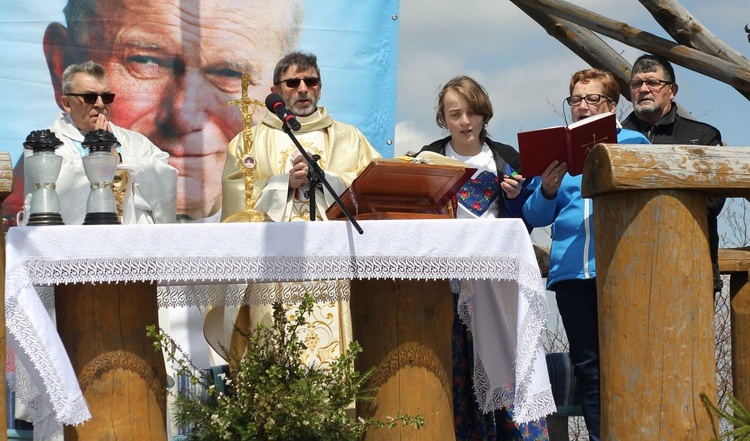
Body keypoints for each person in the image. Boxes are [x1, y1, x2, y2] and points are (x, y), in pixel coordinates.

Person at [4, 0, 304, 223]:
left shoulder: (283, 195)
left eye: (229, 71)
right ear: (62, 65)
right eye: (147, 61)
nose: (184, 117)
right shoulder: (44, 160)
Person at [218, 51, 381, 365]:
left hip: (331, 264)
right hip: (271, 266)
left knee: (331, 356)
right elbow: (238, 207)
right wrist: (282, 185)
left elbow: (372, 187)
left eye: (311, 81)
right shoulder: (248, 142)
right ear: (276, 90)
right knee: (274, 352)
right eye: (293, 82)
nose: (303, 88)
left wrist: (327, 179)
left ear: (320, 87)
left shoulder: (350, 138)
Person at [417, 76, 548, 440]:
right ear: (442, 118)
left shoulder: (507, 158)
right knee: (456, 363)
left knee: (504, 363)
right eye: (454, 113)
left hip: (498, 281)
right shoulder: (426, 158)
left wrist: (516, 196)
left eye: (471, 112)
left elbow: (527, 220)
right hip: (447, 283)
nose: (465, 121)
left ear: (483, 114)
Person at [522, 69, 649, 441]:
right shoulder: (555, 152)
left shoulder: (635, 143)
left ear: (611, 106)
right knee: (590, 369)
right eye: (576, 100)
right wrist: (546, 189)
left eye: (592, 99)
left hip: (622, 272)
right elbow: (534, 215)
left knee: (629, 364)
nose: (582, 106)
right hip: (571, 277)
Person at [23, 60, 177, 225]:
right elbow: (58, 192)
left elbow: (165, 180)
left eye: (106, 97)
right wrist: (102, 155)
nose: (100, 104)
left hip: (132, 243)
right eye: (89, 97)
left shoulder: (134, 142)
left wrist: (119, 158)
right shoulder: (45, 145)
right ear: (67, 103)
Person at [621, 53, 726, 294]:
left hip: (690, 267)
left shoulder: (702, 137)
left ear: (672, 90)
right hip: (624, 268)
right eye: (637, 83)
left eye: (653, 82)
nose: (644, 89)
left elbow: (713, 201)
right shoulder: (612, 139)